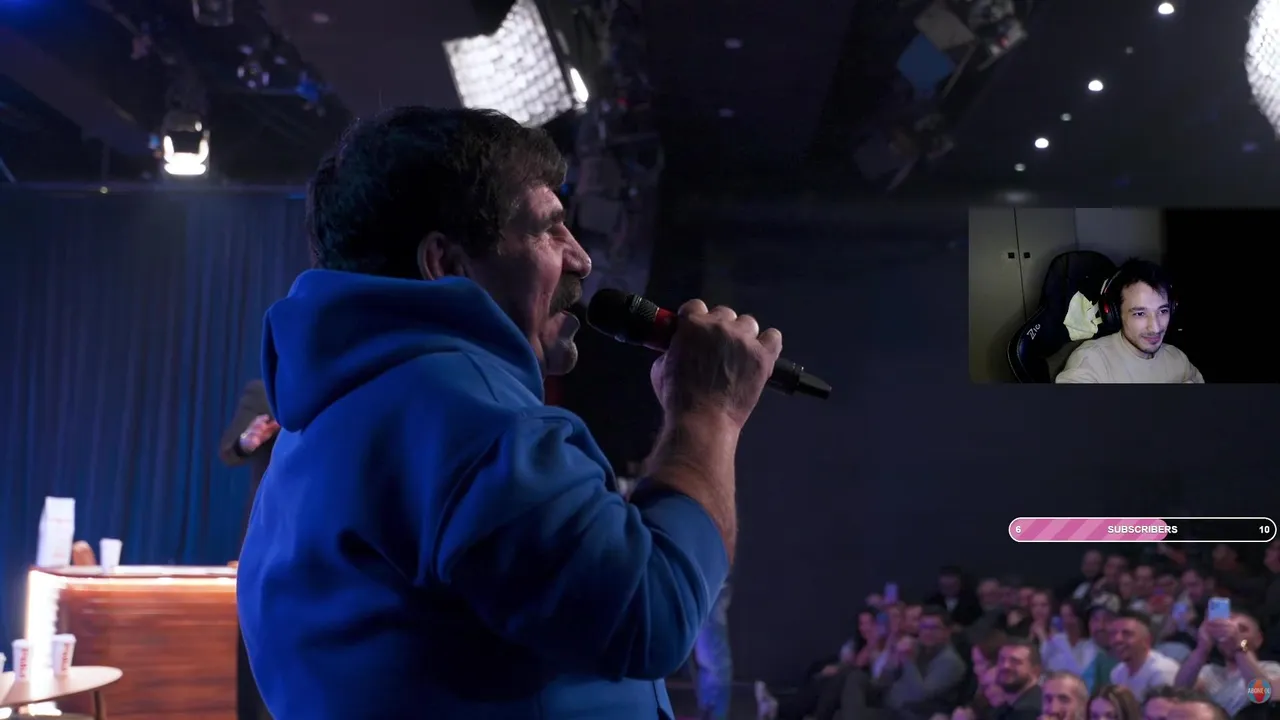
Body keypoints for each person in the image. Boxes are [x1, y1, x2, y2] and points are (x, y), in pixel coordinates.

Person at [235, 106, 783, 720]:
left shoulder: (329, 416)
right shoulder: (466, 416)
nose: (581, 259)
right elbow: (653, 614)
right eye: (549, 230)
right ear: (447, 264)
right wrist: (707, 411)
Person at [218, 379, 278, 720]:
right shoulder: (263, 392)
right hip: (268, 527)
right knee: (258, 634)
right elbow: (231, 449)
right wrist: (249, 439)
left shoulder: (333, 388)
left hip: (320, 522)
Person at [1055, 259, 1203, 384]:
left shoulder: (1179, 360)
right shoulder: (1091, 362)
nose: (1155, 328)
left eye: (1162, 311)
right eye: (1140, 313)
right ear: (1115, 314)